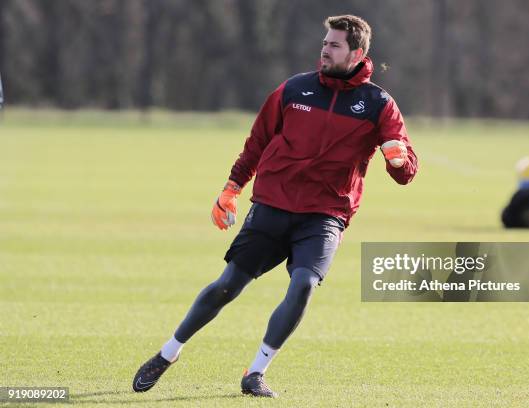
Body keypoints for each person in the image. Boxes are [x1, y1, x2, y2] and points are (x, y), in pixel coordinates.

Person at [132, 14, 418, 398]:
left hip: (325, 215)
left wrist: (399, 160)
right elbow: (257, 142)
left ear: (357, 53)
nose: (325, 50)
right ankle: (168, 354)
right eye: (325, 43)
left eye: (334, 45)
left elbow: (405, 171)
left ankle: (256, 372)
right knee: (227, 286)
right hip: (272, 204)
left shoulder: (378, 104)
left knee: (303, 285)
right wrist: (231, 188)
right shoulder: (293, 90)